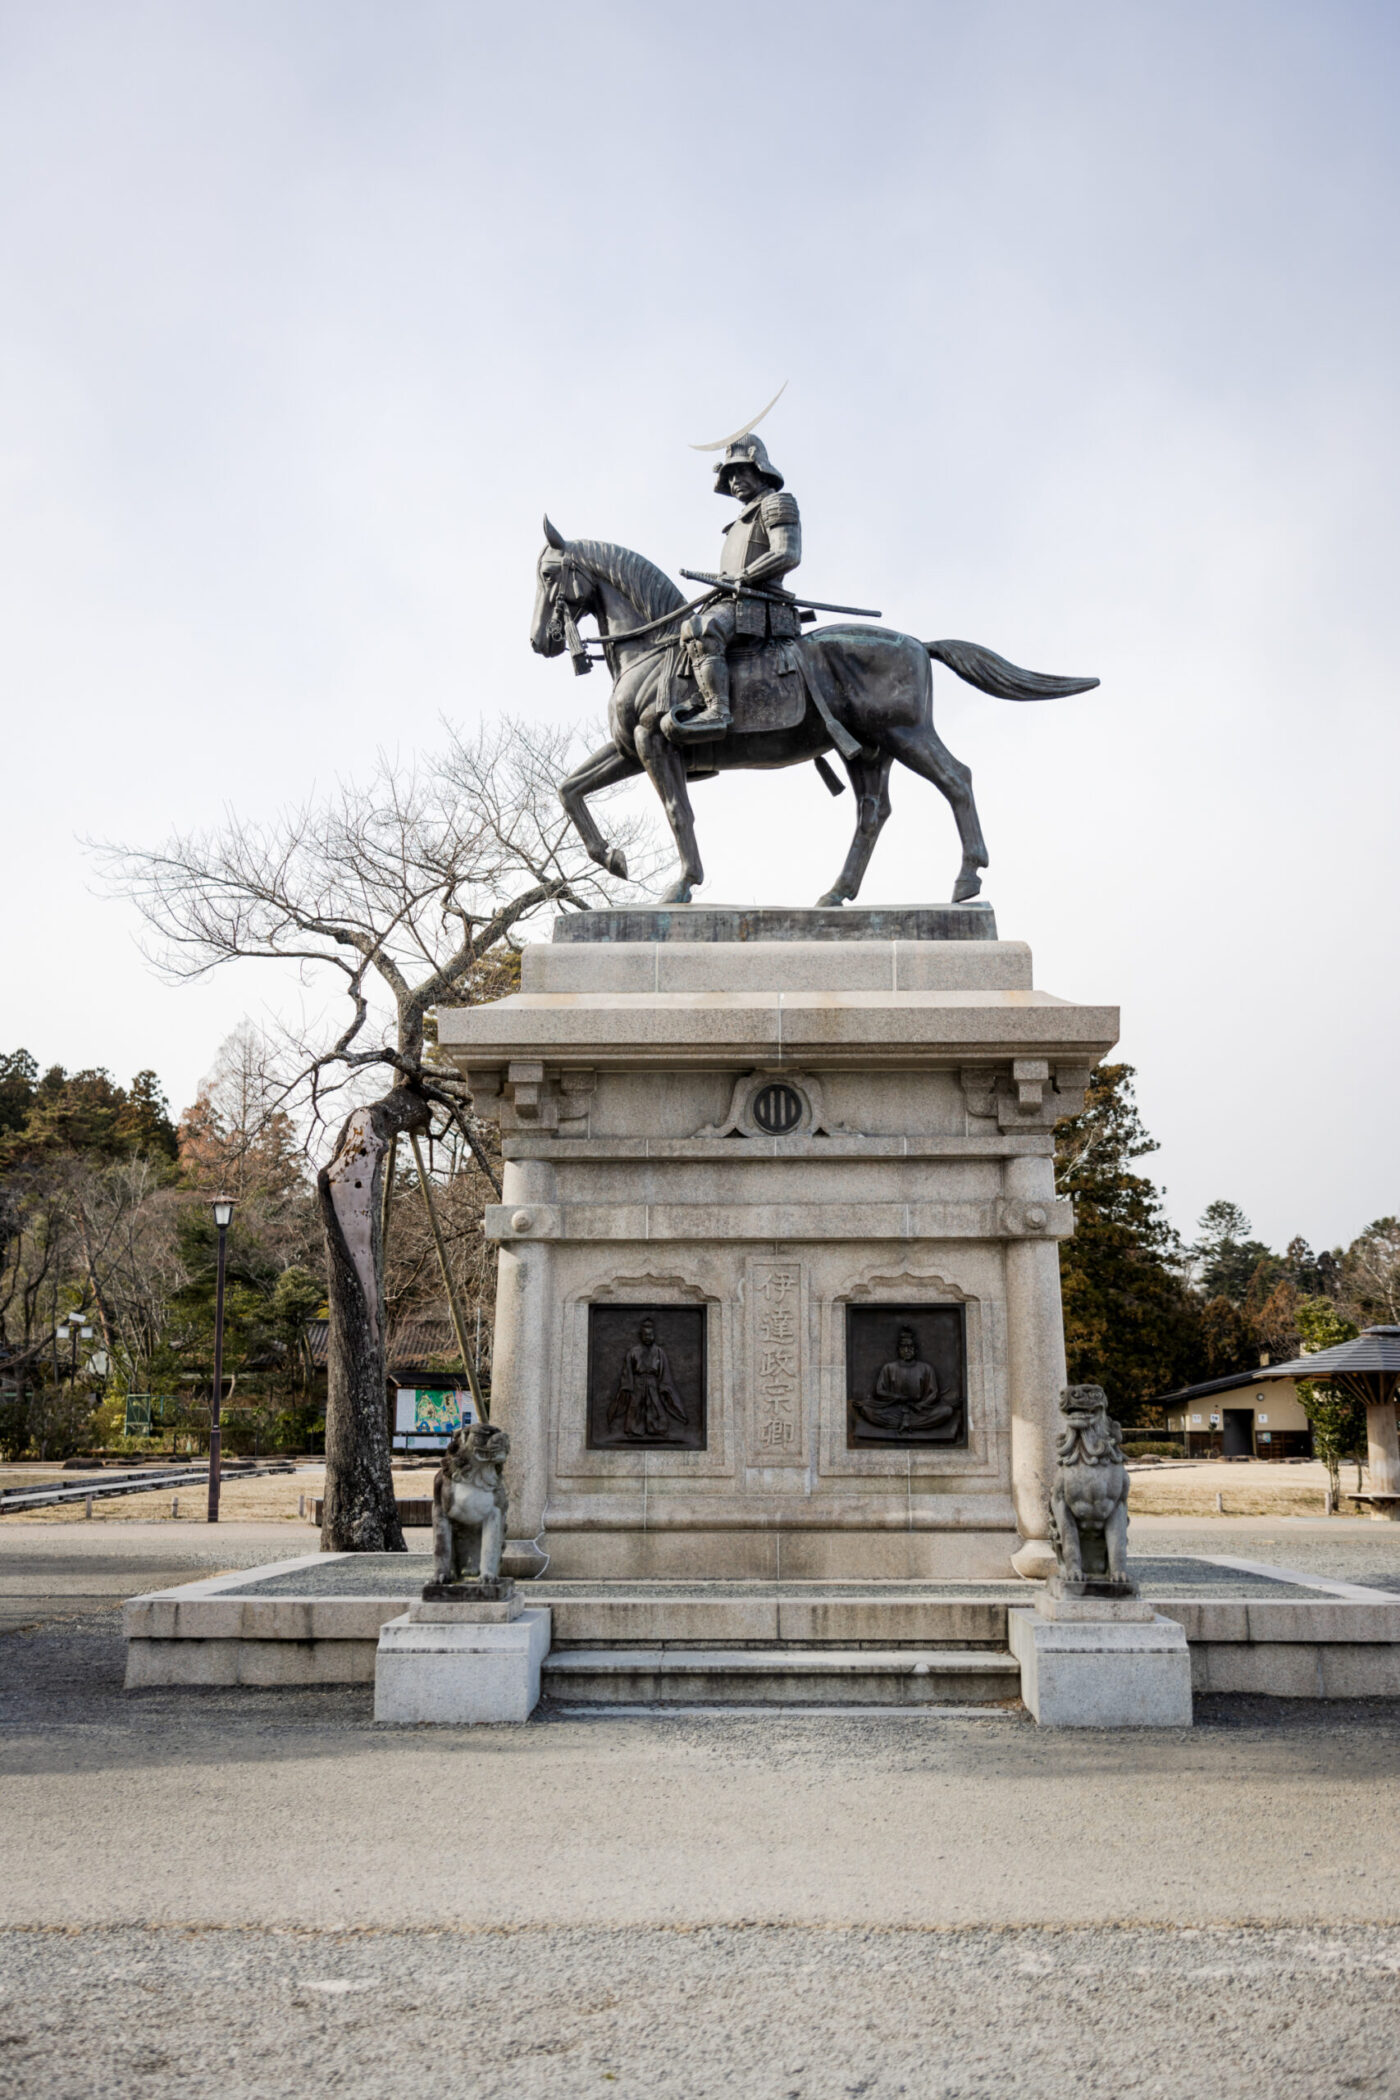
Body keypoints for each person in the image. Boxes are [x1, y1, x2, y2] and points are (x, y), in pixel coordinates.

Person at [670, 433, 803, 743]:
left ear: (760, 470)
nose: (734, 481)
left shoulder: (776, 502)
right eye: (729, 476)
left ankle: (718, 710)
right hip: (734, 599)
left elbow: (787, 553)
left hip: (759, 601)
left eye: (741, 471)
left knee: (701, 628)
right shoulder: (741, 520)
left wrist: (742, 576)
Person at [854, 1326, 958, 1437]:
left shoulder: (926, 1368)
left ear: (916, 1350)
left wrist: (921, 1405)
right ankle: (907, 1424)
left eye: (910, 1347)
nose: (907, 1350)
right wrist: (897, 1397)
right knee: (867, 1410)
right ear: (898, 1349)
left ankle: (905, 1424)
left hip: (918, 1411)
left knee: (946, 1411)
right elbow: (879, 1391)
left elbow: (934, 1393)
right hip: (893, 1410)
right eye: (903, 1347)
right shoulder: (889, 1368)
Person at [609, 1316, 688, 1439]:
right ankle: (633, 1429)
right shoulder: (633, 1352)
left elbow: (664, 1370)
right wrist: (628, 1385)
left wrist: (664, 1385)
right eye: (645, 1335)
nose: (647, 1337)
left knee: (655, 1405)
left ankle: (658, 1429)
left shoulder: (659, 1352)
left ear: (654, 1335)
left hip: (653, 1382)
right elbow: (627, 1370)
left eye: (650, 1335)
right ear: (640, 1335)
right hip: (638, 1382)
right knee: (635, 1406)